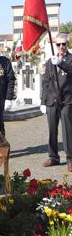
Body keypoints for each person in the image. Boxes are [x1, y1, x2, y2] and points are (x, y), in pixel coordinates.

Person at [41, 33, 72, 171]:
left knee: (68, 130)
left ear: (68, 44)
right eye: (58, 44)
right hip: (52, 100)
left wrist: (61, 63)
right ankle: (53, 156)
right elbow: (46, 82)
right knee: (52, 130)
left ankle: (70, 158)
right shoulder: (50, 61)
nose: (61, 47)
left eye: (63, 44)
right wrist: (43, 101)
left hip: (67, 100)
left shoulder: (70, 59)